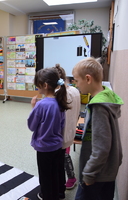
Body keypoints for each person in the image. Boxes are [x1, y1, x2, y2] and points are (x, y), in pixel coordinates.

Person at [72, 57, 123, 200]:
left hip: (97, 175)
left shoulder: (99, 107)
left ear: (88, 79)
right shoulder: (106, 96)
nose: (76, 85)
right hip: (105, 170)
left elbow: (101, 147)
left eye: (76, 81)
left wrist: (88, 174)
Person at [28, 67, 70, 200]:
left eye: (38, 85)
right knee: (55, 174)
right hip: (57, 146)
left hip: (44, 148)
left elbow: (32, 126)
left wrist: (33, 108)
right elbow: (62, 125)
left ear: (45, 85)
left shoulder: (41, 105)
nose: (37, 88)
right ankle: (57, 195)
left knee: (45, 178)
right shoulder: (60, 101)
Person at [53, 64, 81, 195]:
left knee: (63, 157)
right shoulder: (75, 90)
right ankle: (66, 179)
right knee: (65, 155)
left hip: (60, 134)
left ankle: (71, 178)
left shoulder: (58, 94)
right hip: (71, 131)